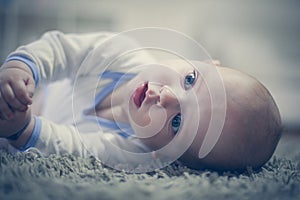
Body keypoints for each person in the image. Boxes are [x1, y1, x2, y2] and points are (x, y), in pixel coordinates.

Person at [0, 30, 282, 172]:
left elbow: (73, 148)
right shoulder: (119, 53)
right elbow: (61, 49)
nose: (165, 96)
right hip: (39, 85)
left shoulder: (130, 153)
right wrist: (23, 68)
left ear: (171, 157)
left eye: (177, 122)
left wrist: (23, 129)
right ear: (205, 61)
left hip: (28, 126)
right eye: (190, 80)